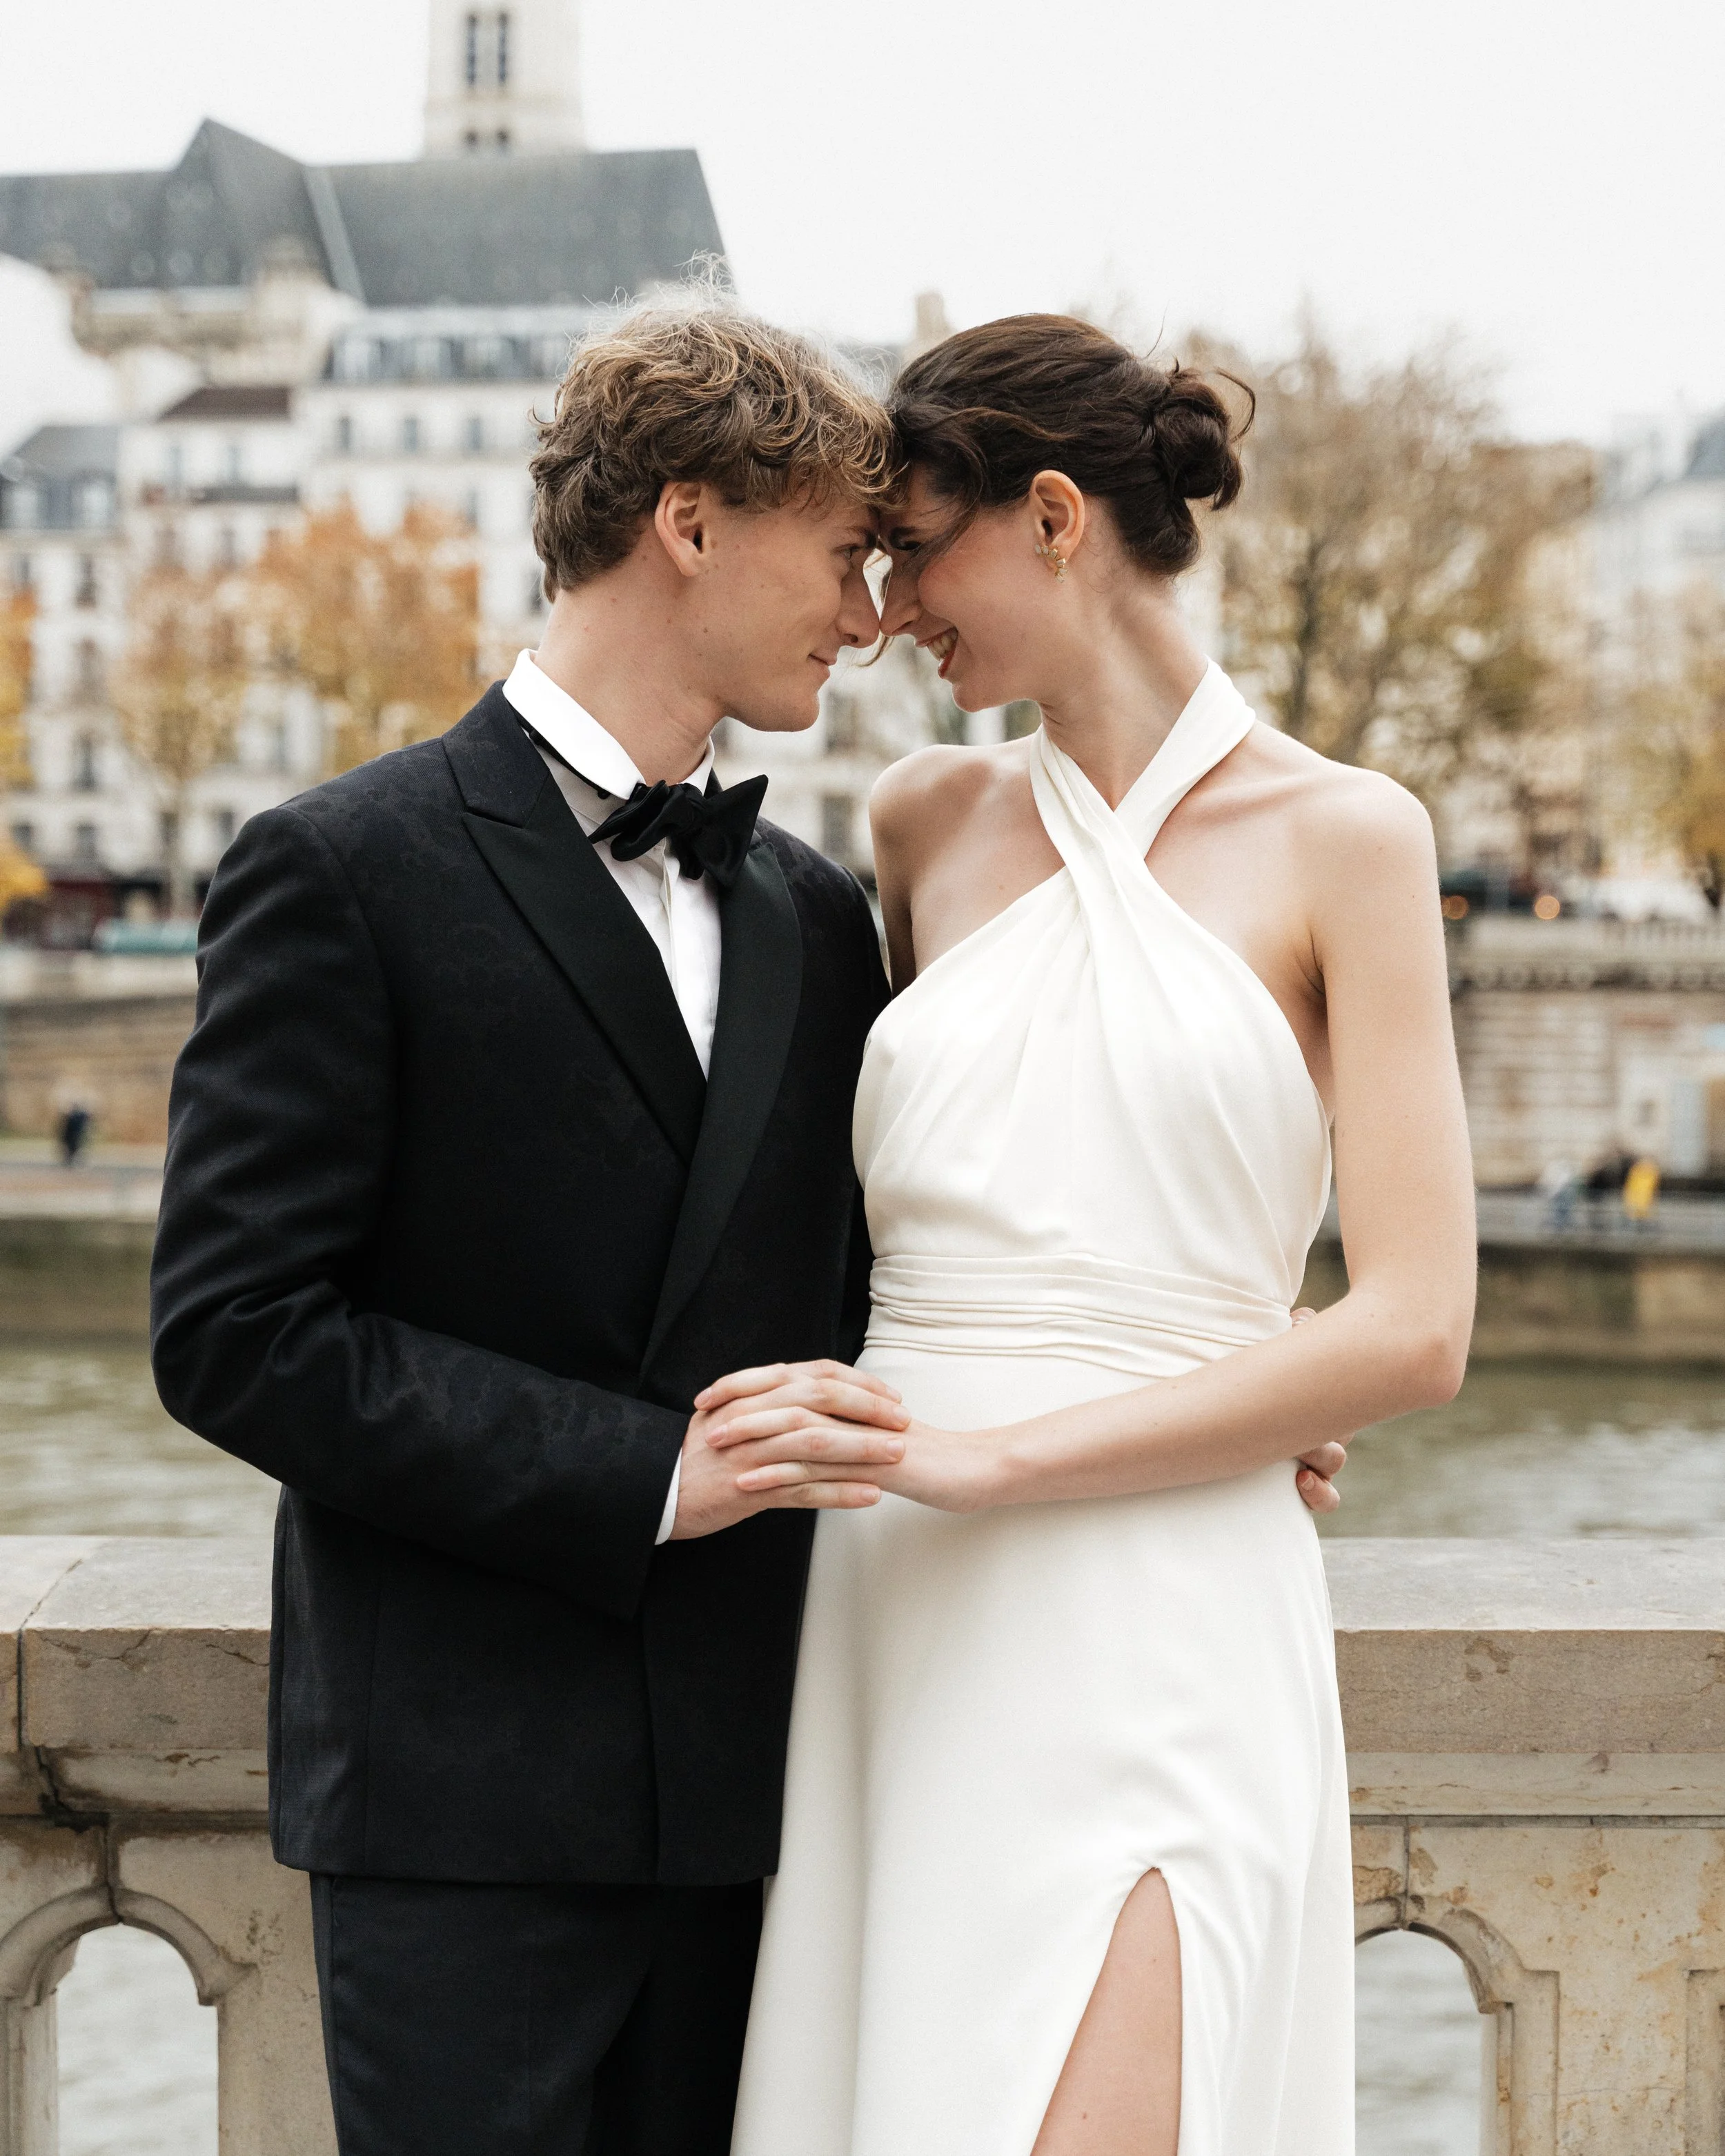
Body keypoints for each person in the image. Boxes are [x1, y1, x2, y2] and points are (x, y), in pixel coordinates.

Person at [149, 300, 918, 2156]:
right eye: (842, 550)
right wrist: (646, 1471)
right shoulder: (338, 867)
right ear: (691, 519)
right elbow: (235, 1326)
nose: (871, 610)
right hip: (455, 1815)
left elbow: (884, 1300)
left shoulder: (817, 918)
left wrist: (1190, 1416)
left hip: (763, 1801)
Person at [724, 317, 1477, 2155]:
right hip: (899, 1592)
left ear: (1053, 515)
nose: (886, 608)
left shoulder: (1347, 841)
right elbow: (955, 1180)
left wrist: (1032, 1444)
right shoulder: (922, 826)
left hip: (1159, 1597)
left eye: (911, 548)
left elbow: (1413, 1325)